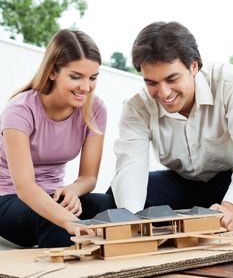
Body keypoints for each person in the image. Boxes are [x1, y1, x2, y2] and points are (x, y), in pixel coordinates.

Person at [110, 21, 233, 231]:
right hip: (183, 183)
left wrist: (229, 207)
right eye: (152, 83)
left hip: (228, 181)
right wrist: (129, 224)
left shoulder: (227, 85)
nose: (164, 93)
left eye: (172, 78)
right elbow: (131, 168)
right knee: (115, 203)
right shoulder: (137, 107)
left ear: (193, 66)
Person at [0, 29, 113, 248]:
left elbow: (88, 177)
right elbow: (25, 188)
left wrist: (72, 191)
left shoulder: (95, 108)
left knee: (109, 206)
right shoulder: (20, 110)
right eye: (75, 76)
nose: (86, 87)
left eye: (93, 78)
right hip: (9, 199)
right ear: (52, 72)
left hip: (53, 194)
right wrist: (67, 220)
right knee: (56, 221)